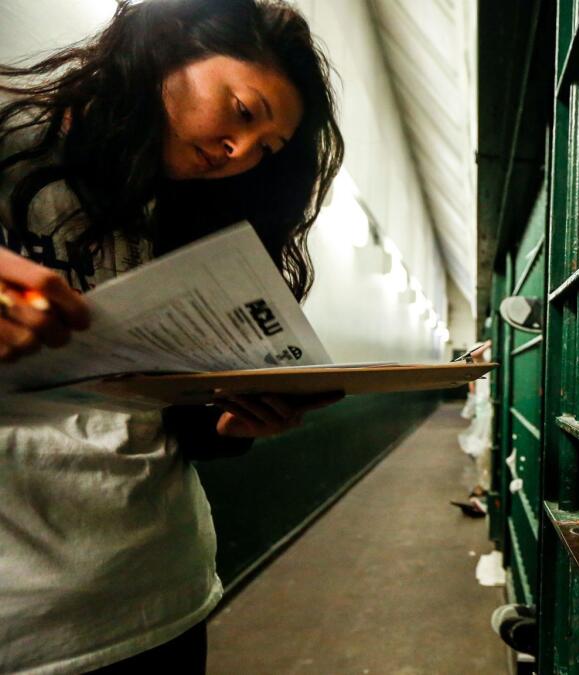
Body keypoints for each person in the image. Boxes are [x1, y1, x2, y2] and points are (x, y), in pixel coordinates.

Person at [0, 0, 345, 671]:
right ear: (172, 44)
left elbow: (173, 423)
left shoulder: (200, 215)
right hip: (21, 619)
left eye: (265, 149)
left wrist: (232, 426)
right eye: (244, 112)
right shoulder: (10, 134)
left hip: (159, 598)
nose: (240, 151)